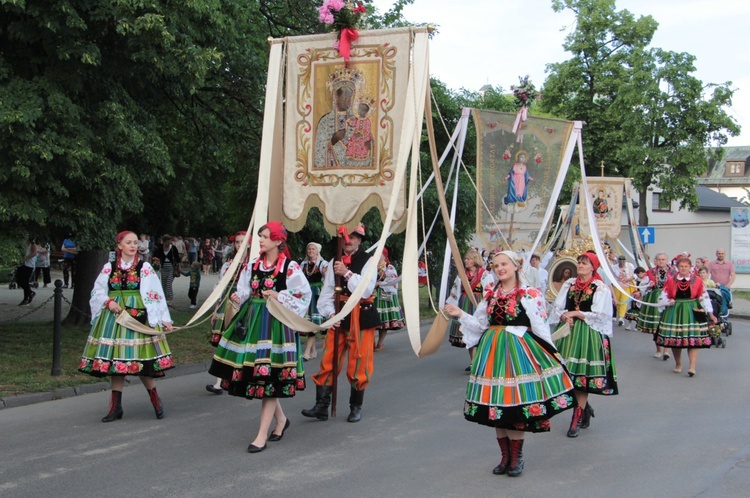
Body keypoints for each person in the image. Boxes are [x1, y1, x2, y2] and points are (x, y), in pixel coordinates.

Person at [445, 251, 576, 477]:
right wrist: (460, 314)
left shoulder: (529, 294)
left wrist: (552, 354)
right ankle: (505, 457)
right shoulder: (490, 296)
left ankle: (517, 458)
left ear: (516, 266)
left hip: (519, 353)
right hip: (493, 352)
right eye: (496, 265)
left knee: (515, 405)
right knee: (498, 405)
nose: (500, 268)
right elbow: (479, 325)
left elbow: (540, 326)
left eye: (504, 264)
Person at [209, 222, 311, 453]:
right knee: (259, 375)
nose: (261, 240)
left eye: (265, 237)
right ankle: (281, 420)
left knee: (269, 377)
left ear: (278, 241)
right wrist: (237, 297)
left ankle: (261, 434)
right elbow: (245, 289)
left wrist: (279, 295)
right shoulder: (253, 264)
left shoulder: (290, 267)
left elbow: (304, 295)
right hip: (253, 321)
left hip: (275, 325)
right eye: (260, 236)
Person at [79, 231, 175, 422]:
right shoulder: (109, 267)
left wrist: (164, 318)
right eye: (128, 242)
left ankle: (155, 399)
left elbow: (156, 293)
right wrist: (108, 301)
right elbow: (97, 290)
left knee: (141, 361)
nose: (132, 245)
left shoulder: (144, 267)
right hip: (114, 318)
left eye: (135, 243)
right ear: (119, 245)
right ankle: (116, 407)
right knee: (117, 362)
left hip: (137, 317)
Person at [302, 224, 379, 423]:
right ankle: (322, 406)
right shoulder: (334, 260)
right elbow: (327, 293)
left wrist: (346, 273)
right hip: (339, 316)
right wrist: (330, 315)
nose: (349, 240)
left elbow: (366, 291)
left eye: (353, 237)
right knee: (328, 359)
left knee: (359, 362)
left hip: (361, 317)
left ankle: (355, 407)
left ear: (360, 240)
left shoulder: (369, 261)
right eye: (346, 236)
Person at [550, 251, 618, 438]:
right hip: (569, 333)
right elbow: (557, 307)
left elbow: (601, 315)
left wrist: (576, 314)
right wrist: (565, 316)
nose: (580, 265)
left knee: (581, 378)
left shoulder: (600, 288)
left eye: (585, 263)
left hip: (588, 333)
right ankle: (585, 408)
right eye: (579, 262)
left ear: (593, 267)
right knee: (566, 376)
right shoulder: (569, 284)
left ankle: (576, 418)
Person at [656, 256, 715, 377]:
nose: (683, 269)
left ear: (690, 267)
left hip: (691, 310)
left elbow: (704, 297)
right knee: (675, 339)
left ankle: (692, 366)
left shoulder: (697, 280)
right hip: (675, 310)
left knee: (693, 340)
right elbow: (663, 296)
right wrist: (668, 301)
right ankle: (678, 363)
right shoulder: (671, 280)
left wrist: (710, 313)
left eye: (686, 266)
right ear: (677, 267)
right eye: (681, 266)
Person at [206, 231, 247, 395]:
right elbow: (220, 287)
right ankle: (219, 381)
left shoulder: (254, 264)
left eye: (243, 242)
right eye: (237, 242)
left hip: (244, 304)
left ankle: (238, 377)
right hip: (227, 301)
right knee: (224, 340)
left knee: (240, 341)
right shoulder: (228, 264)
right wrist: (216, 309)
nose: (239, 245)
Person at [446, 249, 492, 370]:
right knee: (468, 331)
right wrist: (450, 305)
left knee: (480, 331)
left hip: (478, 303)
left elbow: (489, 291)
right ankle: (473, 361)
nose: (466, 261)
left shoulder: (484, 274)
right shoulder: (462, 274)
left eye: (468, 258)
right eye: (465, 258)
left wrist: (487, 305)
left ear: (474, 260)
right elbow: (455, 290)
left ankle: (480, 359)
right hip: (465, 303)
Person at [636, 253, 672, 360]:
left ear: (667, 260)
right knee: (656, 326)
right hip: (654, 297)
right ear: (655, 261)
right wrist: (647, 287)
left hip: (668, 297)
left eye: (663, 259)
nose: (661, 261)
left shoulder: (673, 271)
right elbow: (643, 286)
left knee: (667, 323)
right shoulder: (650, 272)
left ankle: (666, 350)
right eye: (659, 259)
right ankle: (658, 349)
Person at [300, 241, 329, 361]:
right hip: (306, 293)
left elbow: (328, 278)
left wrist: (324, 274)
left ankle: (306, 352)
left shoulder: (323, 263)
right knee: (307, 323)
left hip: (317, 292)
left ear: (318, 251)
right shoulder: (303, 264)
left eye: (313, 249)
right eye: (309, 249)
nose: (311, 251)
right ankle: (312, 350)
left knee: (313, 324)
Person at [374, 248, 404, 352]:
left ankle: (380, 343)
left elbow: (393, 282)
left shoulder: (389, 267)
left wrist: (380, 283)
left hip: (384, 296)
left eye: (380, 254)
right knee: (371, 319)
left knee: (384, 320)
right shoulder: (371, 266)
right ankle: (371, 343)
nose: (377, 255)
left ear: (384, 255)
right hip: (373, 295)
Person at [151, 234, 181, 305]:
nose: (168, 243)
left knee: (168, 283)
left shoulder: (173, 248)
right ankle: (164, 298)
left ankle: (169, 298)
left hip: (171, 267)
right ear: (164, 242)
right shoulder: (160, 249)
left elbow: (177, 258)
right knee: (163, 283)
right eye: (167, 242)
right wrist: (155, 260)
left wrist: (179, 266)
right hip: (163, 267)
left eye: (169, 242)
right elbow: (156, 256)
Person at [612, 255, 636, 326]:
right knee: (618, 301)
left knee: (624, 301)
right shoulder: (614, 267)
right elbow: (612, 276)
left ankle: (621, 317)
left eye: (623, 260)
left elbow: (635, 274)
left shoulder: (630, 266)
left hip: (627, 286)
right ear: (618, 261)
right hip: (617, 286)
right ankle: (620, 315)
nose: (622, 262)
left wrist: (629, 278)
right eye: (620, 260)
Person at [17, 237, 38, 306]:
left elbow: (34, 253)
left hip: (29, 265)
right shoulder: (24, 242)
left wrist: (25, 258)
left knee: (25, 281)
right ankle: (30, 293)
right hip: (24, 264)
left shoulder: (33, 243)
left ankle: (26, 298)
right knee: (19, 280)